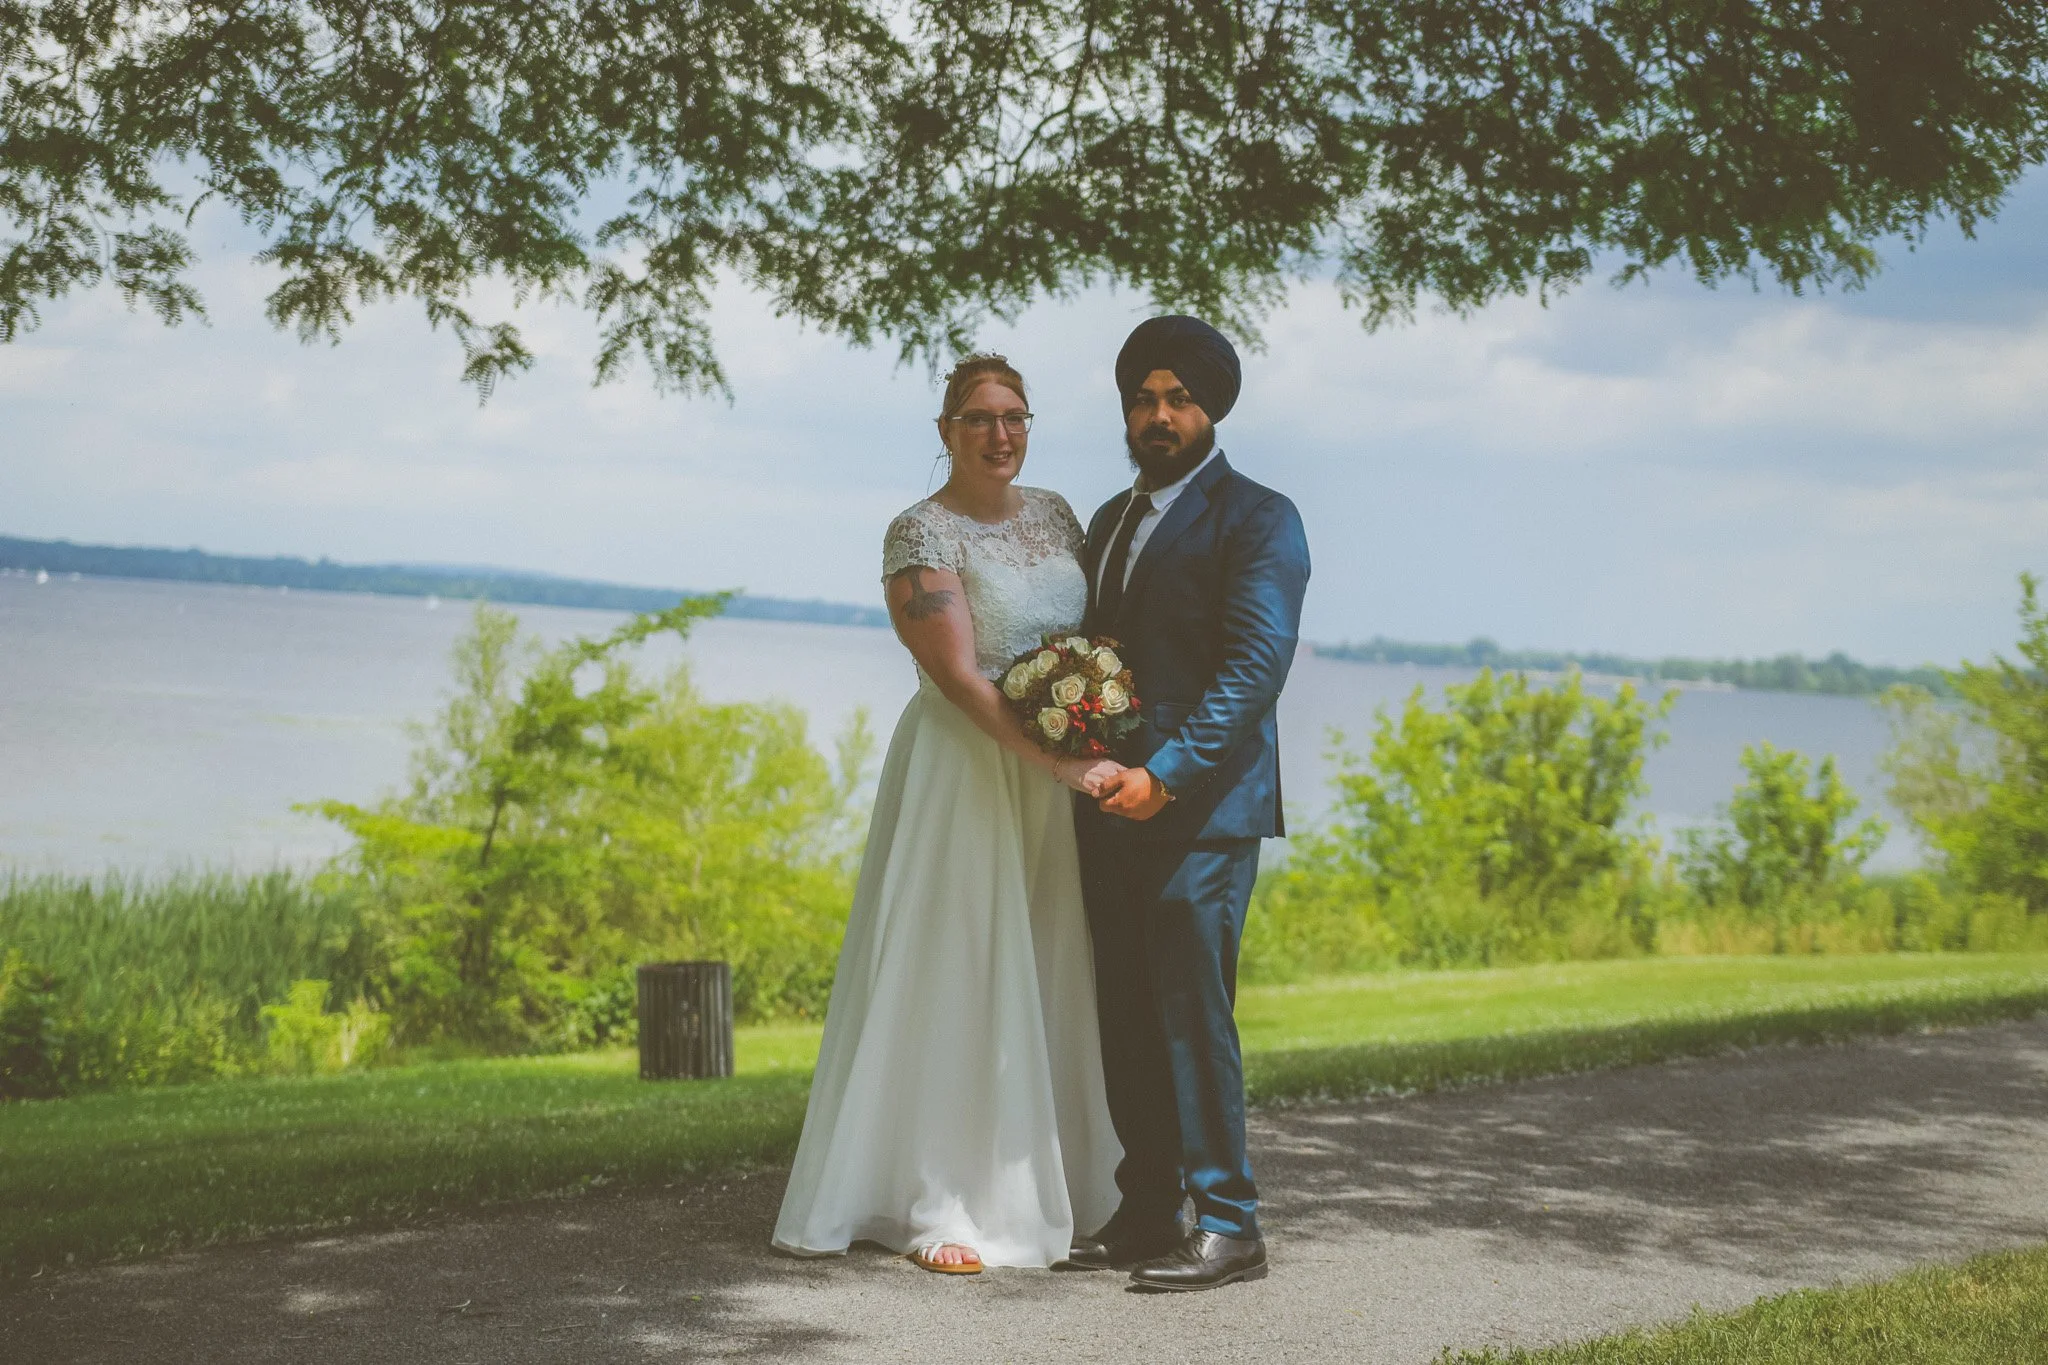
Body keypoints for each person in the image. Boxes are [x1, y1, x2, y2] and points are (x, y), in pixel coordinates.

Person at [772, 354, 1124, 1274]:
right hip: (964, 769)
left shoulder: (1057, 515)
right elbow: (962, 677)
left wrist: (1086, 712)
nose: (1000, 434)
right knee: (957, 965)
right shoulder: (919, 532)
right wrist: (1063, 759)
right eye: (979, 418)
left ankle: (1055, 1183)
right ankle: (941, 1202)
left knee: (1042, 963)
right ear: (946, 431)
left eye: (1015, 416)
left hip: (1048, 782)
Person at [1067, 315, 1311, 1291]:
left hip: (1202, 812)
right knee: (1124, 1012)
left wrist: (1162, 774)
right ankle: (1145, 1210)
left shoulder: (1259, 518)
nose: (1157, 416)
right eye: (1142, 399)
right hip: (1103, 807)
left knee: (1191, 1018)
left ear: (1212, 408)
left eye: (1178, 399)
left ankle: (1230, 1222)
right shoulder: (1109, 519)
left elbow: (1254, 669)